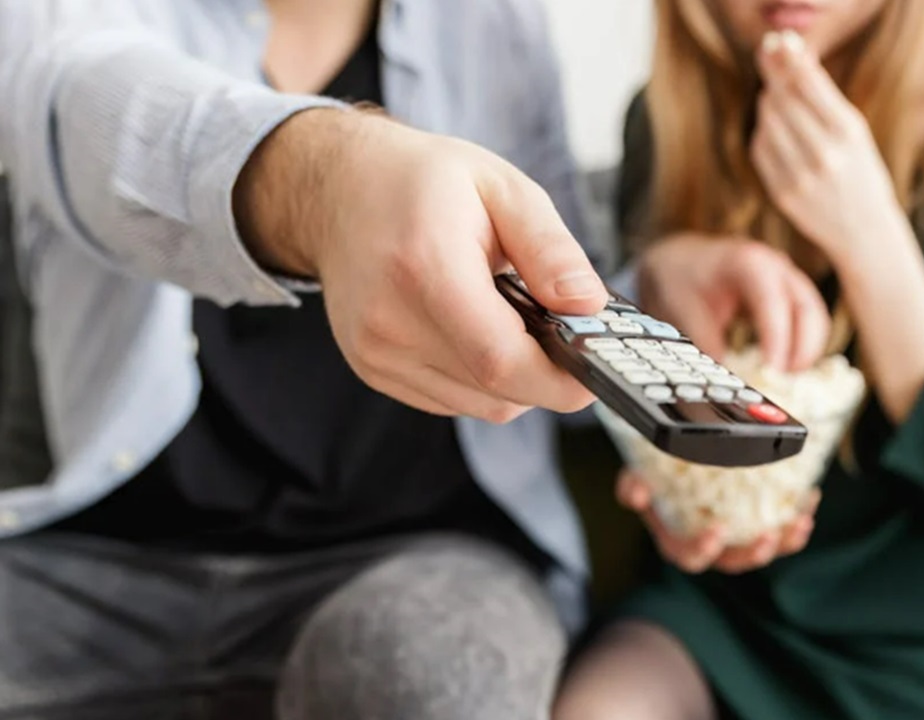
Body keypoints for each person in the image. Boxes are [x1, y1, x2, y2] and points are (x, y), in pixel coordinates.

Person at [0, 0, 623, 717]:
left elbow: (568, 273)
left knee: (427, 679)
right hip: (102, 562)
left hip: (424, 557)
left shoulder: (495, 22)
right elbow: (86, 102)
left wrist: (662, 276)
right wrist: (328, 184)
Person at [555, 1, 924, 719]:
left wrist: (869, 233)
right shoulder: (668, 118)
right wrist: (683, 498)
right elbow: (671, 431)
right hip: (727, 609)